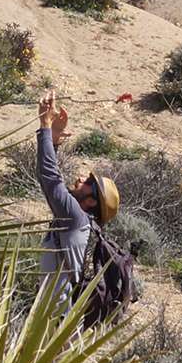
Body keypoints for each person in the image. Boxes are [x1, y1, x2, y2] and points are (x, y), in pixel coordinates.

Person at [36, 91, 119, 316]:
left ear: (91, 201)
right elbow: (48, 182)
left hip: (56, 320)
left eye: (89, 182)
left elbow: (51, 179)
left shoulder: (74, 217)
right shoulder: (76, 219)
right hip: (54, 317)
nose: (81, 178)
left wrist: (45, 124)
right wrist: (53, 138)